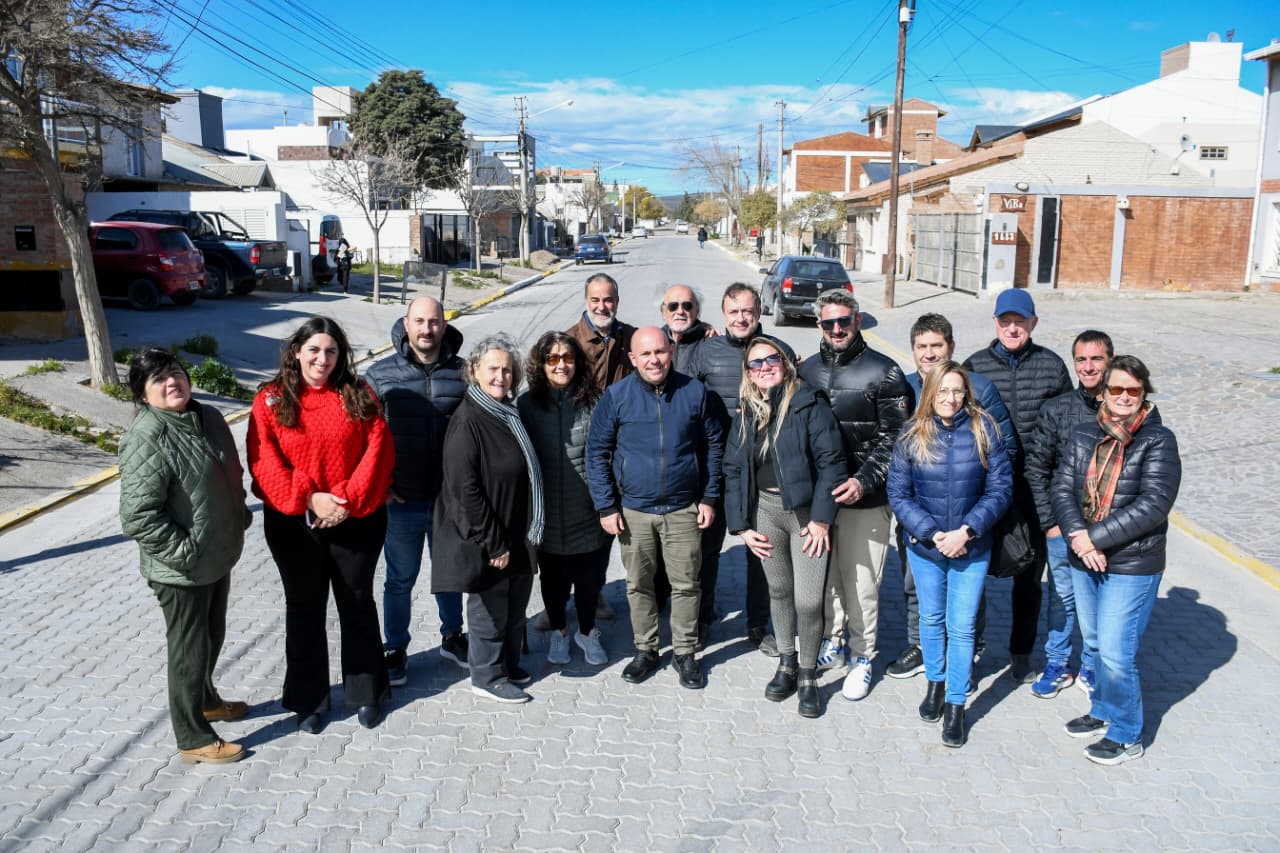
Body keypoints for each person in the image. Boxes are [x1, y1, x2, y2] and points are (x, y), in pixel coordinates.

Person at [249, 317, 395, 731]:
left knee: (357, 602)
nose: (323, 359)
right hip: (295, 523)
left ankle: (367, 693)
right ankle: (308, 700)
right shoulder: (271, 400)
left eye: (331, 351)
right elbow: (263, 461)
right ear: (297, 351)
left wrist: (345, 497)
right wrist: (309, 499)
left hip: (356, 518)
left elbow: (379, 448)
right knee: (304, 608)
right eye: (314, 349)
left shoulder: (359, 393)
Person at [118, 348, 251, 764]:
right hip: (180, 570)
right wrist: (186, 552)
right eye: (158, 379)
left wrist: (238, 512)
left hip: (216, 554)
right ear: (143, 394)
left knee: (212, 637)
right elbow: (138, 516)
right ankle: (192, 735)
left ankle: (207, 699)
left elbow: (229, 470)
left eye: (175, 372)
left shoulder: (207, 416)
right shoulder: (147, 437)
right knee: (188, 650)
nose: (171, 382)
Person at [1051, 355, 1180, 766]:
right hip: (1085, 557)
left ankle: (1127, 733)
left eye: (1133, 390)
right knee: (1092, 642)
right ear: (1102, 392)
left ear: (1144, 394)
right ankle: (1103, 709)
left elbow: (1154, 504)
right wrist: (1080, 538)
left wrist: (1094, 537)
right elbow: (1062, 489)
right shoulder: (1084, 433)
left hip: (1132, 564)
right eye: (1116, 389)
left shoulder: (1159, 440)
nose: (1124, 397)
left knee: (1115, 652)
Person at [587, 326, 724, 690]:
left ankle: (684, 652)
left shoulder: (695, 393)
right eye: (645, 354)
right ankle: (646, 649)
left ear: (671, 353)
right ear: (633, 359)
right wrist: (606, 506)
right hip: (634, 511)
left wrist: (709, 497)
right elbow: (597, 452)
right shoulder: (616, 397)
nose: (654, 360)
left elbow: (713, 447)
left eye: (660, 352)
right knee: (639, 584)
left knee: (686, 585)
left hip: (683, 508)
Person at [888, 362, 1012, 748]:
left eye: (957, 391)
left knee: (961, 627)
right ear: (930, 393)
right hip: (927, 547)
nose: (950, 398)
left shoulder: (984, 429)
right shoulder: (911, 434)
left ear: (967, 393)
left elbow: (1000, 489)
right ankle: (935, 684)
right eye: (942, 391)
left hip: (971, 547)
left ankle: (957, 704)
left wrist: (967, 531)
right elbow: (899, 494)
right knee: (931, 618)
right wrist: (931, 532)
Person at [797, 290, 911, 701]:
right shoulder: (806, 371)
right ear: (819, 326)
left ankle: (864, 656)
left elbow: (896, 437)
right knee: (827, 580)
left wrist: (864, 479)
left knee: (861, 583)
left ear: (857, 321)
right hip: (820, 501)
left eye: (844, 321)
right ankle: (835, 640)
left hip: (865, 498)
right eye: (829, 323)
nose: (837, 329)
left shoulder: (886, 372)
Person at [724, 338, 846, 717]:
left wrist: (823, 518)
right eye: (755, 363)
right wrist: (742, 527)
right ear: (747, 372)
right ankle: (788, 663)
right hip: (766, 512)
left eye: (770, 358)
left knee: (808, 600)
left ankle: (809, 675)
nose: (763, 367)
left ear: (785, 361)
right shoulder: (747, 410)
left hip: (806, 515)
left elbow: (832, 462)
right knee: (778, 590)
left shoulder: (809, 402)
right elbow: (733, 469)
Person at [963, 288, 1072, 683]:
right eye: (1005, 321)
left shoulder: (1052, 366)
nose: (1013, 328)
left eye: (1020, 322)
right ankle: (970, 653)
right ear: (995, 323)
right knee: (974, 574)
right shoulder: (974, 366)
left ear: (1033, 324)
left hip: (1034, 489)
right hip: (986, 488)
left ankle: (1022, 652)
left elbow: (1068, 423)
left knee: (1030, 577)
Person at [432, 334, 545, 704]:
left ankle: (508, 665)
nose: (501, 376)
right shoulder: (469, 420)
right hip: (490, 535)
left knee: (514, 606)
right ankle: (487, 675)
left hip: (516, 528)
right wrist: (492, 540)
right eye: (493, 369)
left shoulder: (506, 412)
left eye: (507, 370)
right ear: (474, 371)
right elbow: (464, 490)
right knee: (489, 608)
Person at [365, 296, 469, 687]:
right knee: (399, 579)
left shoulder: (463, 372)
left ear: (445, 325)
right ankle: (395, 647)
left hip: (448, 500)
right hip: (401, 500)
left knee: (450, 574)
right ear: (406, 324)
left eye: (434, 322)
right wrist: (381, 484)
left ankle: (452, 635)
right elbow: (362, 435)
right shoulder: (380, 374)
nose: (427, 329)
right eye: (420, 321)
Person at [689, 282, 796, 656]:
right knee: (707, 550)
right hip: (717, 471)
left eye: (748, 311)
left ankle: (758, 623)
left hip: (767, 472)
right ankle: (702, 619)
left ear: (759, 313)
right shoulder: (706, 352)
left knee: (764, 553)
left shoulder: (779, 352)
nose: (741, 318)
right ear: (723, 315)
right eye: (733, 312)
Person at [1024, 330, 1113, 699]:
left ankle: (1092, 667)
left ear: (1110, 360)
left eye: (1096, 359)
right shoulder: (1057, 409)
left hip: (1109, 531)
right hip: (1064, 527)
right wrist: (1050, 523)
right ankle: (1057, 663)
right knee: (1062, 600)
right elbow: (1037, 467)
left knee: (1101, 605)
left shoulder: (1124, 407)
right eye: (1081, 359)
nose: (1088, 367)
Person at [518, 332, 610, 667]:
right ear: (540, 364)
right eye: (552, 359)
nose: (561, 365)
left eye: (567, 358)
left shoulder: (594, 400)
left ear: (578, 362)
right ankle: (559, 632)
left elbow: (607, 453)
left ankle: (587, 631)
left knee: (588, 582)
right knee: (553, 582)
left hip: (586, 510)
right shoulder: (527, 405)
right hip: (546, 513)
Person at [565, 272, 636, 392]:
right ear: (586, 302)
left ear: (617, 302)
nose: (601, 307)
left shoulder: (632, 337)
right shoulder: (568, 341)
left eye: (608, 300)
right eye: (595, 300)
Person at [660, 285, 715, 374]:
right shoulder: (656, 342)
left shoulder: (711, 342)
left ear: (697, 310)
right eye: (673, 306)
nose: (680, 312)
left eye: (687, 306)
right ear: (663, 312)